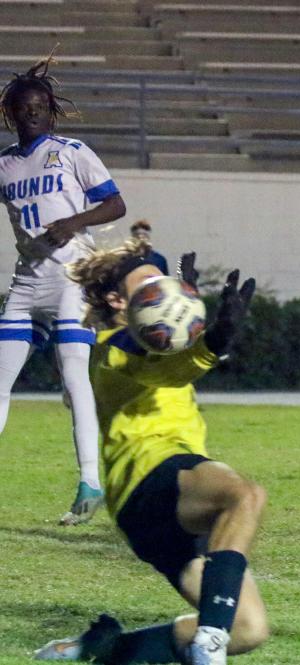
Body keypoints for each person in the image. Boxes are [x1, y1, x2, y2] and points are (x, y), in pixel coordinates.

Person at [33, 240, 267, 665]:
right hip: (150, 476)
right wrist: (212, 343)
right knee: (244, 495)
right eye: (146, 281)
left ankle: (107, 649)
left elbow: (173, 362)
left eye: (164, 279)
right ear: (116, 299)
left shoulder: (159, 346)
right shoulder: (113, 347)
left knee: (249, 629)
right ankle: (209, 640)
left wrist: (208, 340)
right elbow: (162, 367)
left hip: (149, 517)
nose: (161, 287)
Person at [0, 56, 127, 524]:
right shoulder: (6, 164)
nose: (32, 113)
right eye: (23, 108)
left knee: (74, 378)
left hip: (73, 278)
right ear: (11, 114)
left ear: (50, 111)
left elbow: (115, 203)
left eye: (39, 106)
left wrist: (74, 222)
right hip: (27, 282)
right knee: (0, 380)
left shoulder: (73, 152)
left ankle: (90, 481)